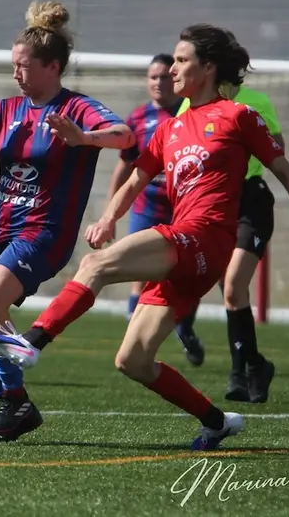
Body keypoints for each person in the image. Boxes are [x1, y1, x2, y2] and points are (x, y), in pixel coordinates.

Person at [0, 23, 289, 450]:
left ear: (208, 67)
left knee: (95, 265)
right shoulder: (171, 128)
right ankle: (217, 422)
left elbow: (286, 173)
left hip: (205, 238)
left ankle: (31, 343)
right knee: (133, 360)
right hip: (185, 249)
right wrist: (108, 219)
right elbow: (136, 179)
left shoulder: (238, 116)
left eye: (181, 60)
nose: (172, 69)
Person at [0, 0, 133, 441]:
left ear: (52, 67)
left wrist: (83, 138)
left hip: (44, 231)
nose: (16, 74)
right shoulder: (7, 110)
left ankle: (16, 391)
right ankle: (14, 402)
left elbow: (124, 136)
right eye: (14, 65)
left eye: (23, 66)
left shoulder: (76, 108)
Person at [175, 82, 285, 402]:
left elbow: (277, 150)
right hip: (214, 201)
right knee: (228, 290)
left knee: (234, 285)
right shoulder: (191, 103)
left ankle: (240, 373)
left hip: (251, 202)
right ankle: (253, 366)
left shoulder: (256, 102)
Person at [106, 54, 204, 366]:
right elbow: (124, 168)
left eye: (164, 76)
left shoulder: (192, 113)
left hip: (184, 209)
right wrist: (111, 214)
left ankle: (184, 329)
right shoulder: (138, 118)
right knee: (139, 273)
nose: (159, 82)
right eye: (153, 77)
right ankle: (133, 341)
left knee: (188, 276)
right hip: (147, 207)